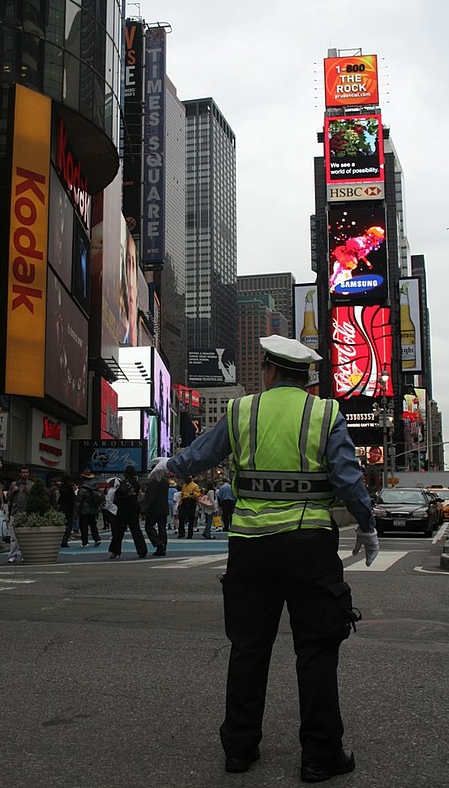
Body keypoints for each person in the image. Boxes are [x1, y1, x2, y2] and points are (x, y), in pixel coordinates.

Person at [148, 335, 379, 783]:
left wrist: (169, 467)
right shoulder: (325, 412)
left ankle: (239, 748)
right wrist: (366, 525)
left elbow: (201, 454)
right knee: (316, 648)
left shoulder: (241, 410)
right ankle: (319, 755)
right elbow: (347, 478)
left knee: (249, 647)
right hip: (309, 545)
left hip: (250, 546)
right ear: (307, 378)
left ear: (269, 372)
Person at [108, 465, 147, 559]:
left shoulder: (123, 483)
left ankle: (115, 551)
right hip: (134, 508)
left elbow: (117, 496)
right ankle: (142, 550)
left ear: (126, 473)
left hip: (123, 509)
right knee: (136, 530)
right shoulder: (136, 483)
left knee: (118, 531)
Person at [7, 466, 34, 564]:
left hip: (26, 512)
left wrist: (29, 493)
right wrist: (14, 491)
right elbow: (9, 498)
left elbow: (35, 498)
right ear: (20, 474)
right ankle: (12, 556)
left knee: (26, 536)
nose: (25, 474)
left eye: (27, 472)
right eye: (23, 472)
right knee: (14, 537)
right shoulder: (14, 484)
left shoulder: (31, 484)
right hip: (15, 512)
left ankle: (24, 555)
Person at [141, 473, 169, 556]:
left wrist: (145, 509)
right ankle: (162, 547)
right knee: (162, 528)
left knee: (149, 527)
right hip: (163, 507)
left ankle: (159, 544)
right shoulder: (165, 481)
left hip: (154, 509)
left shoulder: (154, 482)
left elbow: (151, 497)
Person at [74, 469, 103, 548]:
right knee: (93, 525)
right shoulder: (95, 487)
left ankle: (85, 542)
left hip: (84, 510)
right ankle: (97, 539)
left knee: (83, 526)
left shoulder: (82, 488)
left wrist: (75, 513)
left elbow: (78, 501)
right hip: (93, 509)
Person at [59, 474, 77, 547]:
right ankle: (65, 540)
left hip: (62, 507)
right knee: (69, 524)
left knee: (63, 524)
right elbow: (72, 498)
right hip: (69, 507)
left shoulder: (61, 487)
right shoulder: (69, 488)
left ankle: (62, 539)